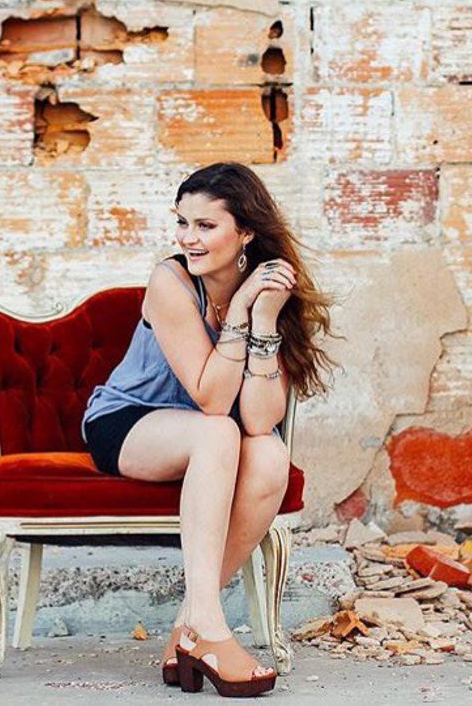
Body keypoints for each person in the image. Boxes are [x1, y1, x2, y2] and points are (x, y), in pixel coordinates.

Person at [80, 162, 336, 697]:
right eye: (182, 223)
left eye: (205, 226)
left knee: (270, 455)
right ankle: (212, 630)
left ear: (246, 233)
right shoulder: (170, 281)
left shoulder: (269, 288)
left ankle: (189, 629)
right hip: (130, 421)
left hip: (210, 434)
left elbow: (260, 419)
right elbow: (214, 400)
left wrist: (263, 317)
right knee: (218, 431)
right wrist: (239, 307)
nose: (188, 238)